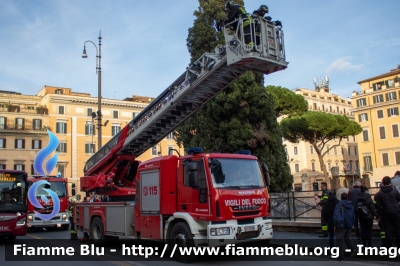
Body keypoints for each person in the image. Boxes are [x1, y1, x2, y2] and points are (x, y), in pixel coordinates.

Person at [374, 176, 400, 248]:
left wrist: (378, 215)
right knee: (398, 229)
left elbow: (378, 205)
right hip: (396, 212)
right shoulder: (395, 191)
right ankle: (399, 245)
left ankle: (389, 245)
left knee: (387, 230)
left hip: (385, 213)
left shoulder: (380, 193)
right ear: (390, 182)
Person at [334, 192, 357, 261]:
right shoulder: (351, 205)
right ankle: (353, 248)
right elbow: (354, 216)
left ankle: (341, 255)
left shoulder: (339, 205)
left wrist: (335, 225)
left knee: (339, 240)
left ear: (341, 197)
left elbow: (336, 216)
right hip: (349, 224)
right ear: (347, 197)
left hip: (341, 225)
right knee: (347, 238)